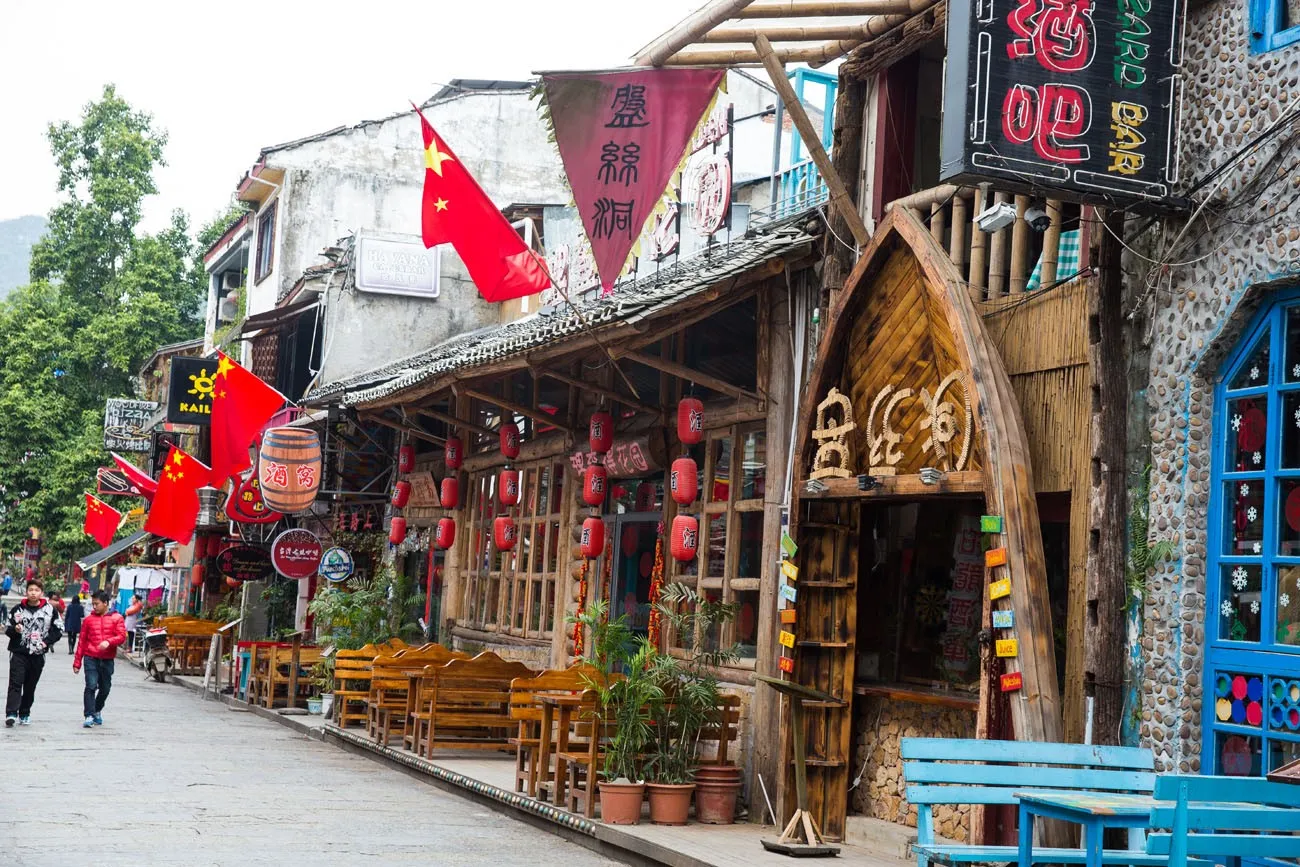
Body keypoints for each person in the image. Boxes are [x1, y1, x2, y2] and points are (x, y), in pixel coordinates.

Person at [5, 579, 62, 726]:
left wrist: (46, 642)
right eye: (31, 590)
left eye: (36, 590)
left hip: (38, 654)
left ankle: (24, 712)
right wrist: (15, 630)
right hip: (19, 652)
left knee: (30, 686)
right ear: (26, 592)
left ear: (41, 593)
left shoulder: (50, 610)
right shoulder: (17, 609)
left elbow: (58, 629)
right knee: (15, 683)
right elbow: (7, 628)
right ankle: (11, 713)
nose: (33, 593)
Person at [73, 591, 126, 728]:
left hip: (107, 659)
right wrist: (77, 662)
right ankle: (89, 714)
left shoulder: (117, 618)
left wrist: (109, 642)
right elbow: (82, 641)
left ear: (105, 603)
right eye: (93, 604)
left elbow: (122, 636)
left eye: (96, 604)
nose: (94, 607)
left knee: (105, 688)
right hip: (91, 657)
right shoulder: (88, 621)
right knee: (91, 685)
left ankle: (97, 709)